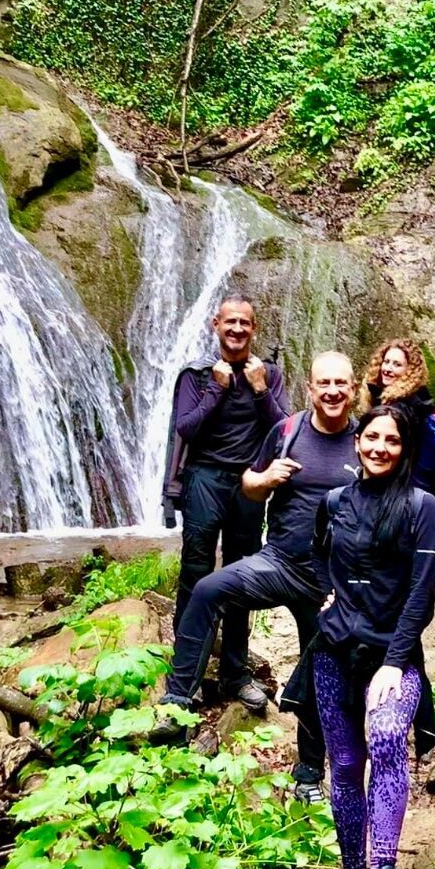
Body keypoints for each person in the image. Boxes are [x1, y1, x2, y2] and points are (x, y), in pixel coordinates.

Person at [157, 352, 359, 802]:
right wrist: (265, 478)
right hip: (278, 563)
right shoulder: (287, 431)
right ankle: (177, 703)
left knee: (320, 672)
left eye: (340, 384)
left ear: (353, 388)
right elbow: (248, 482)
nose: (331, 391)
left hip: (329, 584)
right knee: (208, 590)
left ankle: (308, 775)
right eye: (323, 383)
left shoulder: (366, 441)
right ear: (310, 388)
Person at [311, 404, 435, 869]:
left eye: (391, 440)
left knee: (387, 736)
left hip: (393, 656)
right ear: (357, 442)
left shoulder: (421, 506)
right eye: (371, 438)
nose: (379, 447)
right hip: (333, 653)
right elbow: (315, 554)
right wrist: (324, 593)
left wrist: (393, 661)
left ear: (404, 448)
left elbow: (422, 595)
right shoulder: (334, 501)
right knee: (344, 765)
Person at [171, 293, 289, 709]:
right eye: (230, 322)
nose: (237, 329)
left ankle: (235, 674)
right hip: (204, 478)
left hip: (249, 484)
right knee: (195, 573)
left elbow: (285, 430)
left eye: (245, 323)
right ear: (215, 326)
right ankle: (186, 673)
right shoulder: (198, 375)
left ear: (254, 329)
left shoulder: (268, 375)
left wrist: (259, 391)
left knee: (243, 577)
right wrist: (216, 392)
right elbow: (185, 428)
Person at [358, 339, 435, 502]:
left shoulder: (402, 408)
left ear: (410, 371)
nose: (387, 368)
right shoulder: (415, 401)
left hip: (400, 492)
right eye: (386, 362)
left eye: (396, 364)